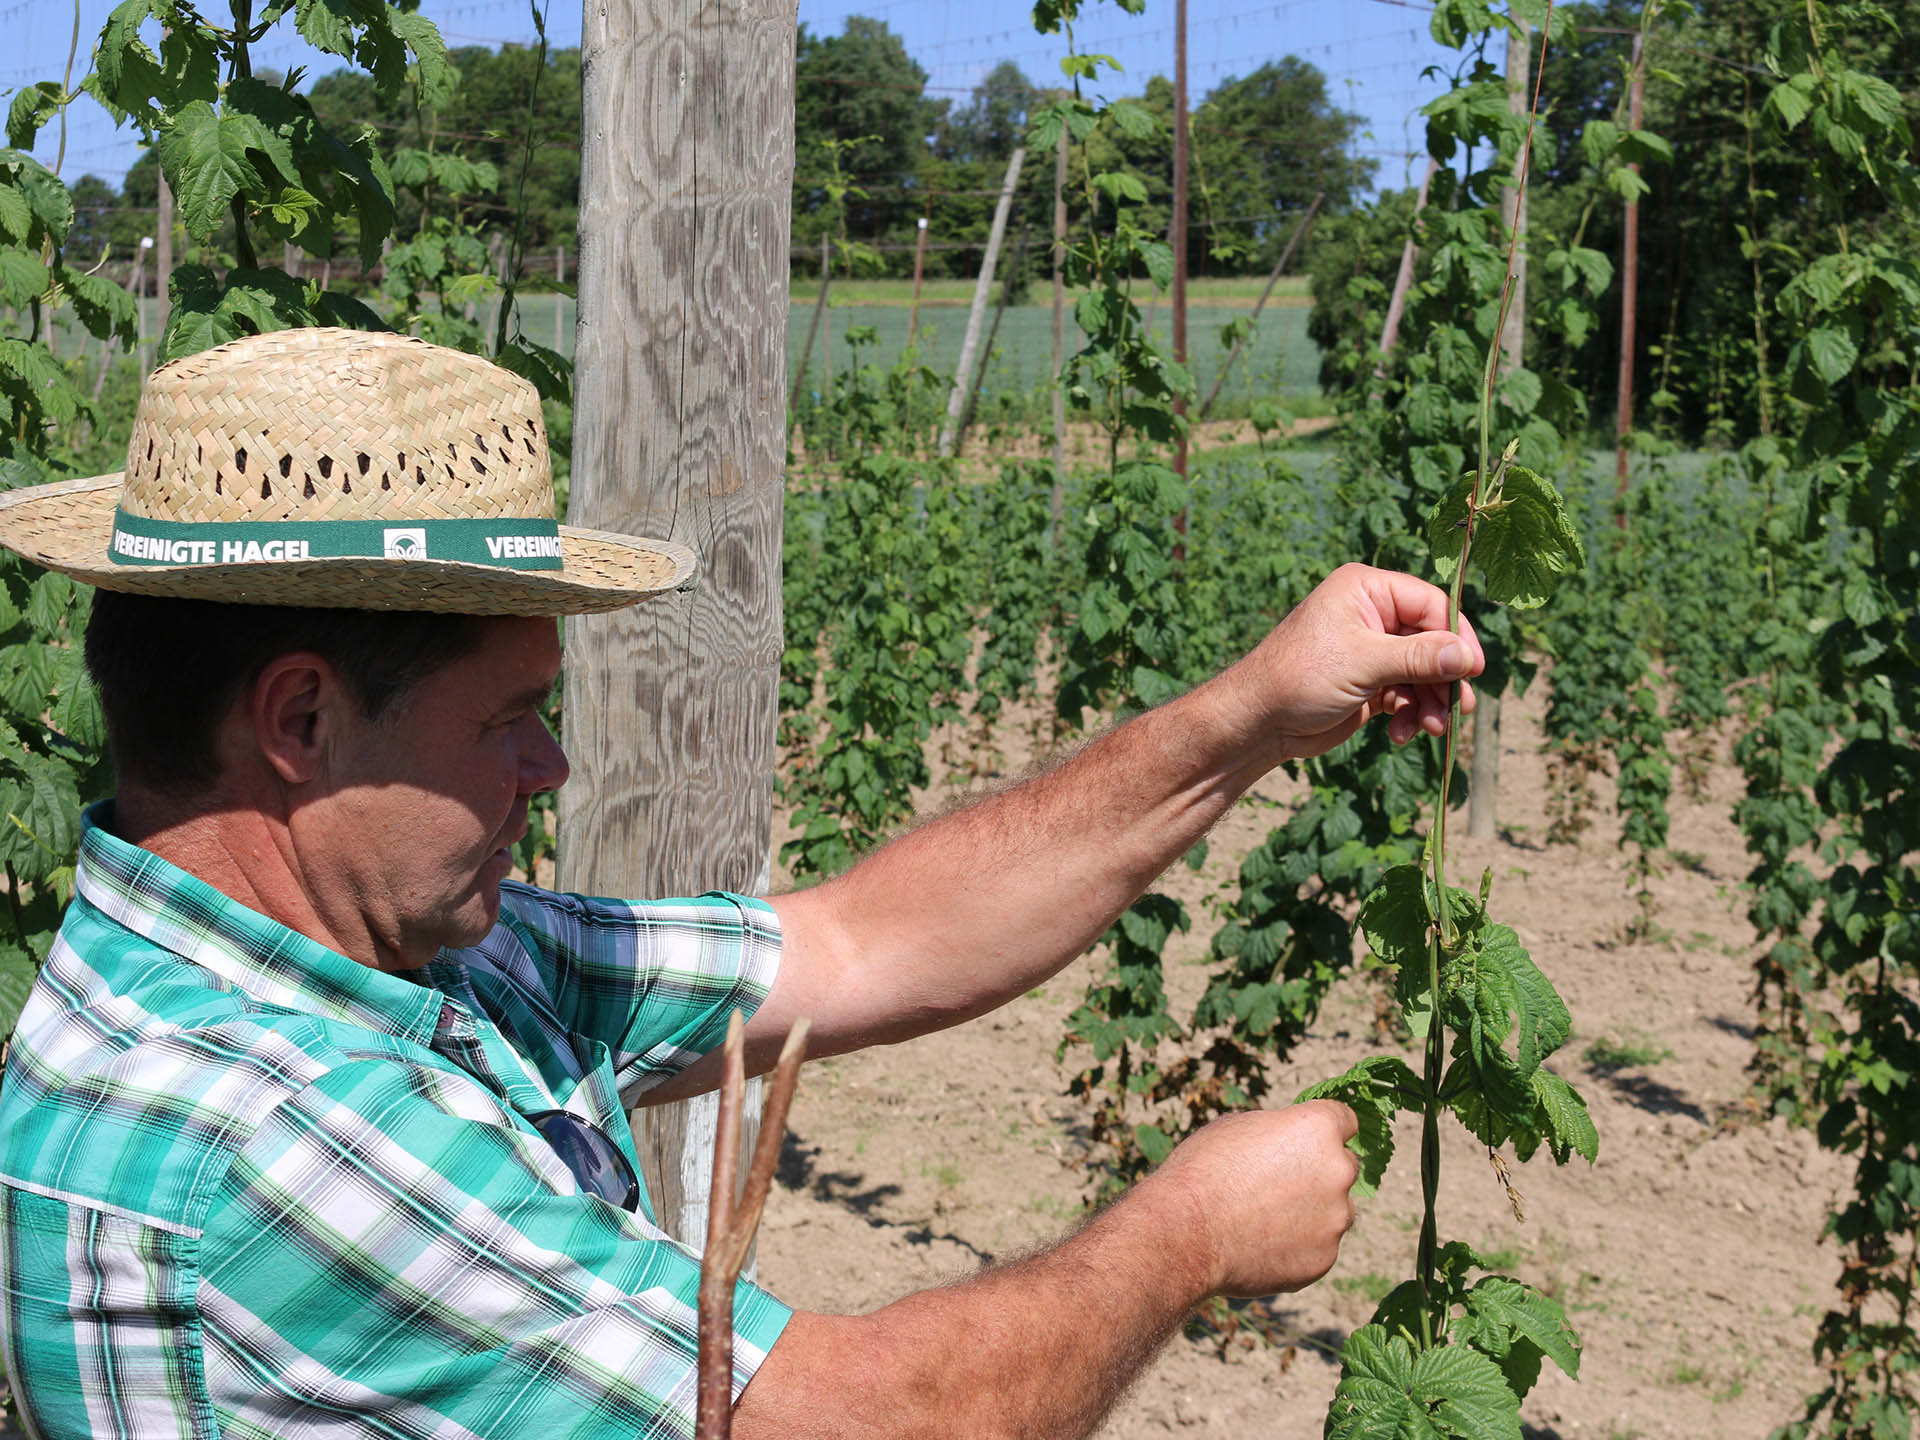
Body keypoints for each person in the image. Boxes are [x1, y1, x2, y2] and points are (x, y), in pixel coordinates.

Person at [0, 329, 1483, 1440]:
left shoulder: (402, 962)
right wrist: (1191, 1236)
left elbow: (854, 945)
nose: (552, 767)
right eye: (508, 715)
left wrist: (1255, 712)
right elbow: (871, 1423)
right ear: (303, 722)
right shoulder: (267, 1130)